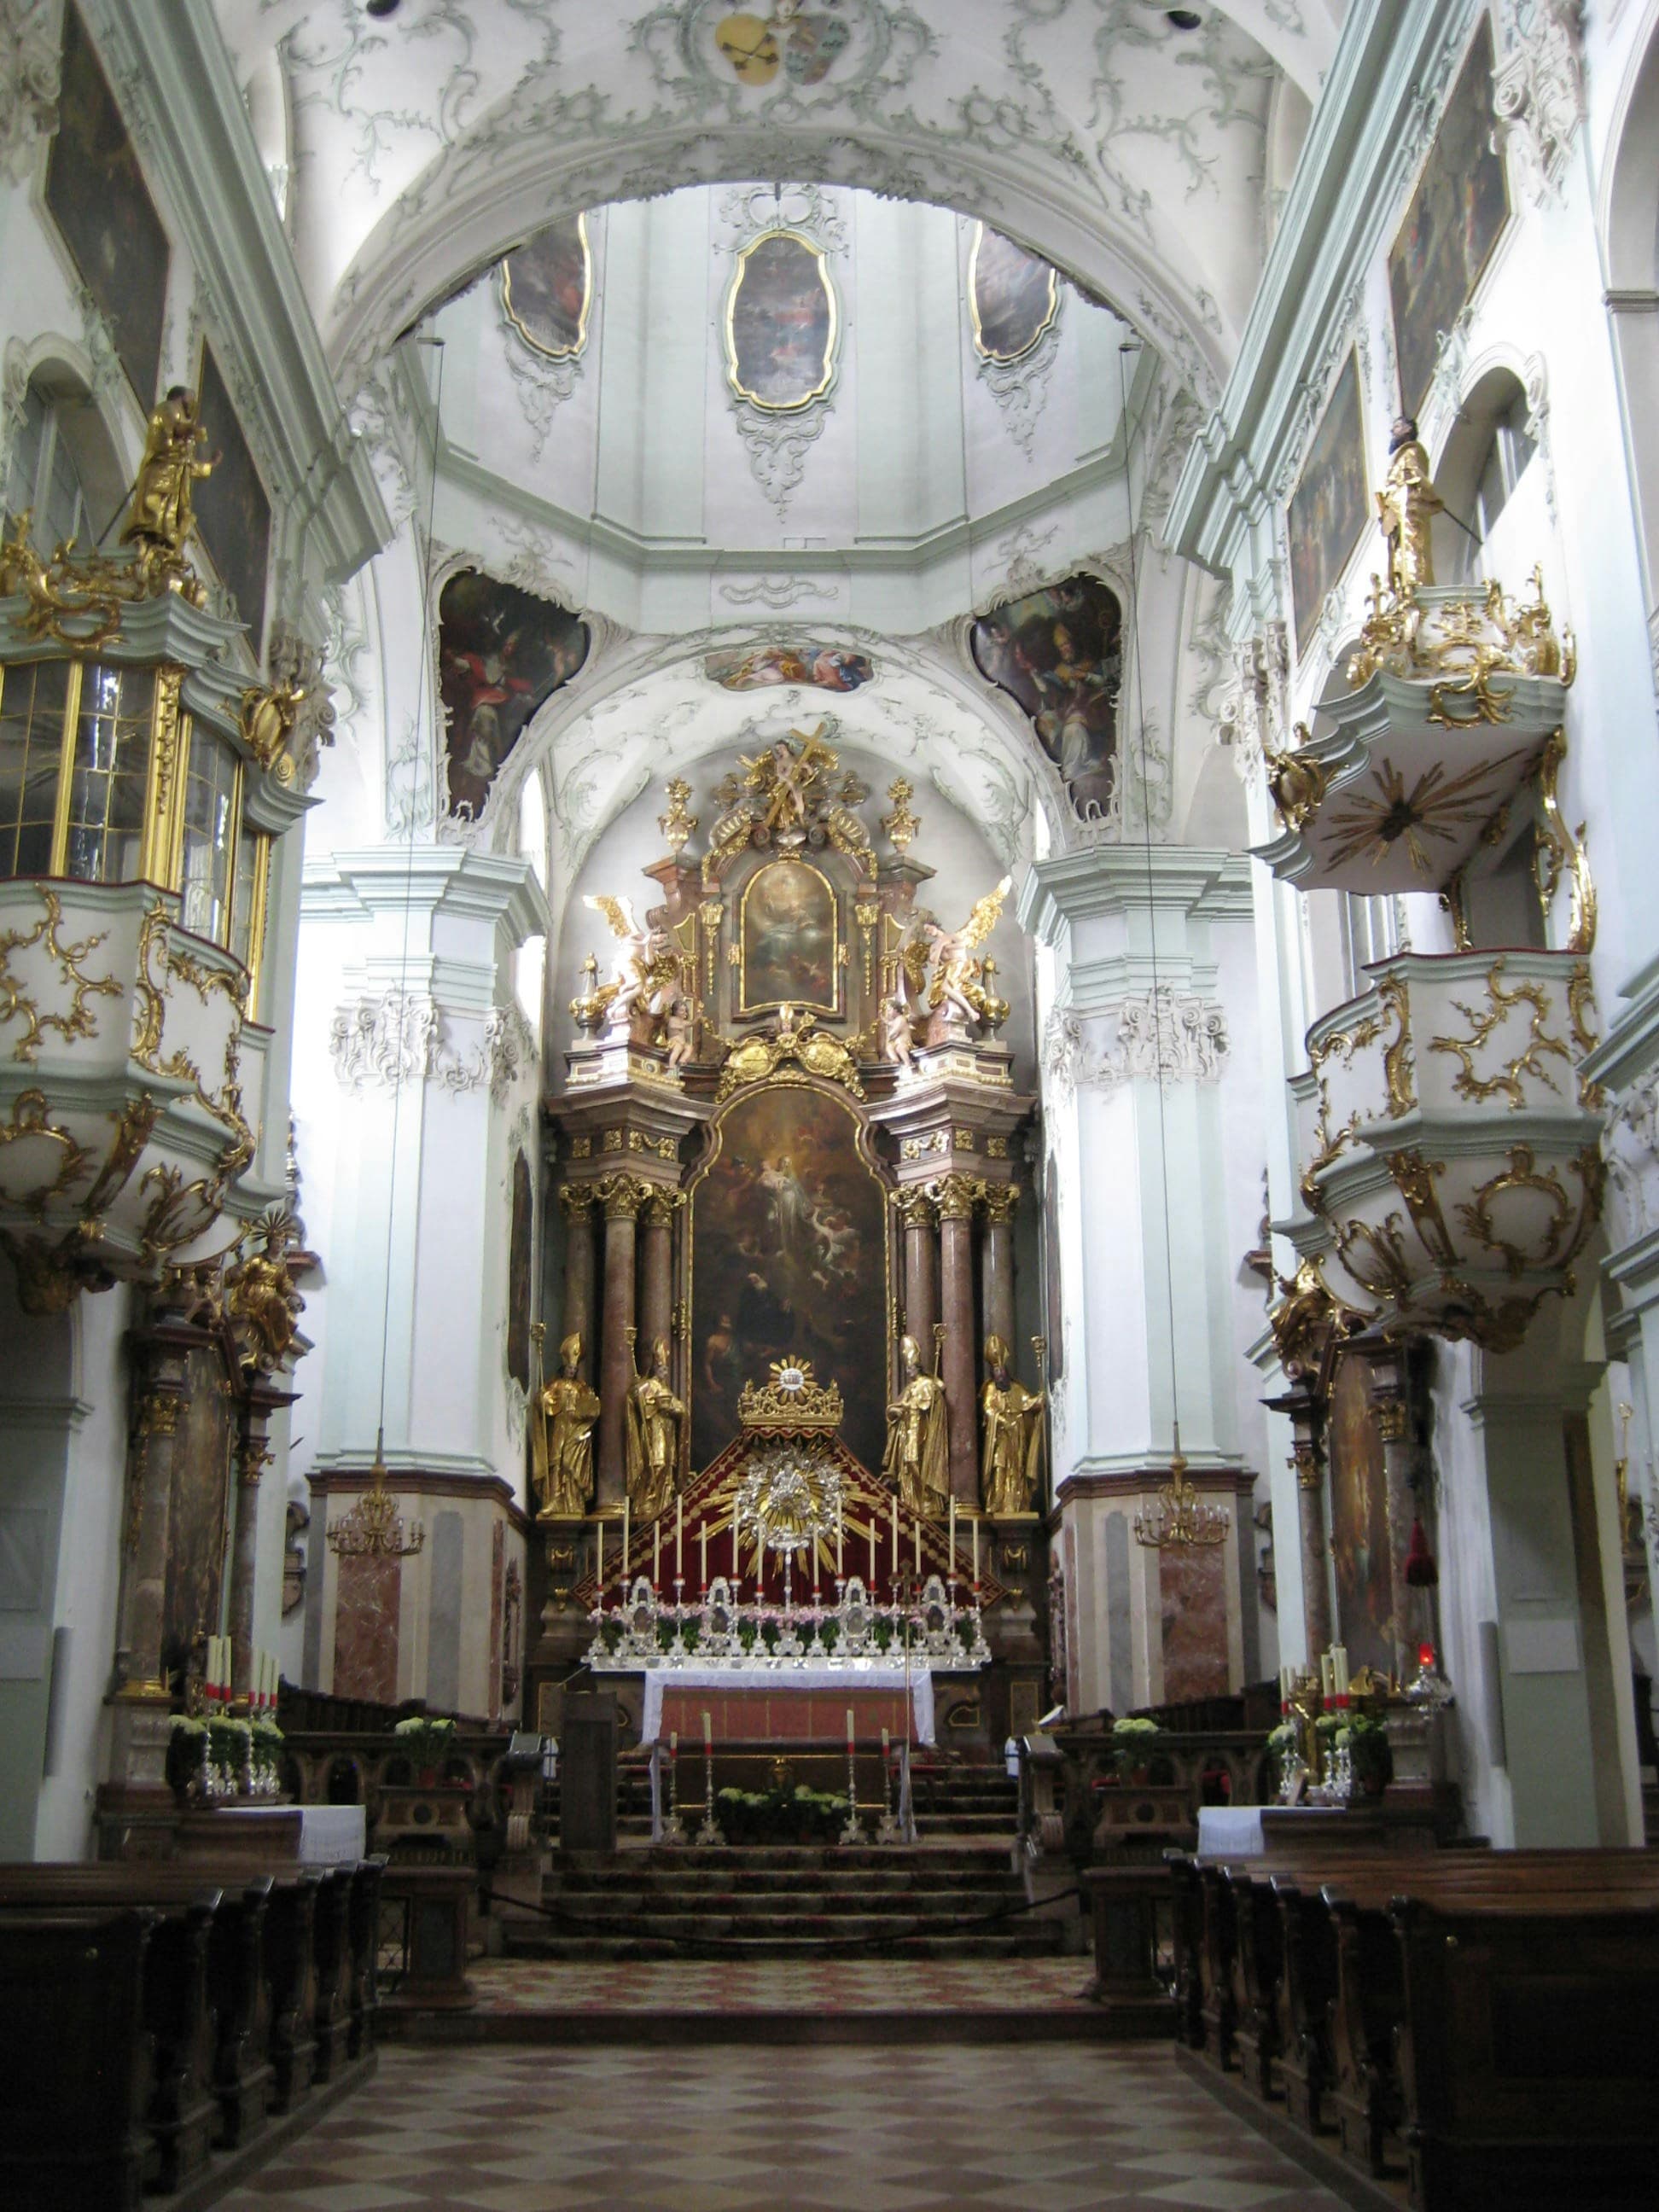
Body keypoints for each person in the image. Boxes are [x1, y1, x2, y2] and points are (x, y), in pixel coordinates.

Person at [121, 386, 218, 557]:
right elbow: (177, 428)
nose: (193, 403)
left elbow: (188, 464)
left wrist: (210, 464)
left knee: (167, 524)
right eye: (191, 398)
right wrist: (195, 432)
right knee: (154, 515)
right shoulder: (168, 408)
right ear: (181, 397)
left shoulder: (181, 421)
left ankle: (161, 546)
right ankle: (148, 545)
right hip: (161, 473)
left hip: (173, 478)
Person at [882, 1332, 950, 1518]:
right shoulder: (911, 1388)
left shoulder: (927, 1385)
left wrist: (933, 1391)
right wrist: (896, 1411)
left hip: (920, 1430)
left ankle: (926, 1499)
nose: (908, 1371)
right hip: (907, 1431)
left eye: (910, 1368)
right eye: (907, 1368)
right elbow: (894, 1407)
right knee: (908, 1464)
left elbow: (930, 1403)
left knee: (916, 1462)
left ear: (916, 1367)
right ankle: (912, 1501)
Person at [538, 1333, 601, 1519]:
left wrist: (591, 1403)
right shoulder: (555, 1384)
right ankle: (554, 1499)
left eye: (574, 1368)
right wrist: (544, 1399)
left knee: (569, 1462)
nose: (571, 1371)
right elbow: (544, 1400)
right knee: (556, 1461)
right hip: (560, 1425)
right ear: (564, 1367)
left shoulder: (581, 1387)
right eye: (569, 1368)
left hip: (576, 1428)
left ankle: (573, 1501)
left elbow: (592, 1408)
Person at [979, 1334, 1045, 1516]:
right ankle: (996, 1504)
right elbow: (988, 1410)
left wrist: (1039, 1400)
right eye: (996, 1370)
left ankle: (1015, 1505)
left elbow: (1027, 1402)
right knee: (999, 1470)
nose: (999, 1374)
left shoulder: (1016, 1388)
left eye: (1001, 1369)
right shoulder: (991, 1389)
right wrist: (1002, 1421)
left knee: (1016, 1472)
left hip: (1016, 1438)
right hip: (999, 1440)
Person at [626, 1336, 684, 1522]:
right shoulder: (649, 1385)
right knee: (656, 1464)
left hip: (667, 1432)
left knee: (667, 1466)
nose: (664, 1371)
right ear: (655, 1368)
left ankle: (663, 1502)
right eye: (661, 1368)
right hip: (655, 1431)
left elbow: (681, 1409)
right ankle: (647, 1500)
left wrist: (674, 1410)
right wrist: (637, 1392)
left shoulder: (666, 1389)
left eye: (666, 1369)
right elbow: (634, 1398)